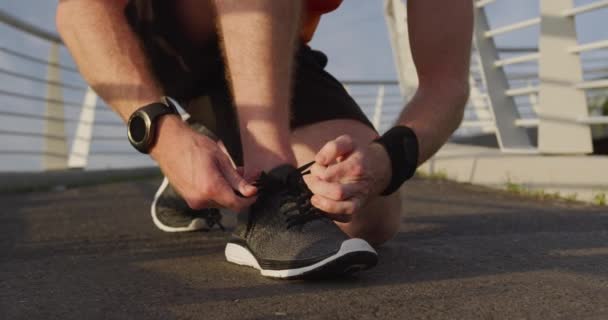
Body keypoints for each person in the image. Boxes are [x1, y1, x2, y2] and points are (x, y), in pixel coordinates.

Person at [56, 0, 472, 279]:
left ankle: (220, 140)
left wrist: (385, 161)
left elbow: (447, 87)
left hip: (263, 44)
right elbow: (78, 10)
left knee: (367, 215)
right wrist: (163, 136)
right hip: (152, 32)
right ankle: (269, 185)